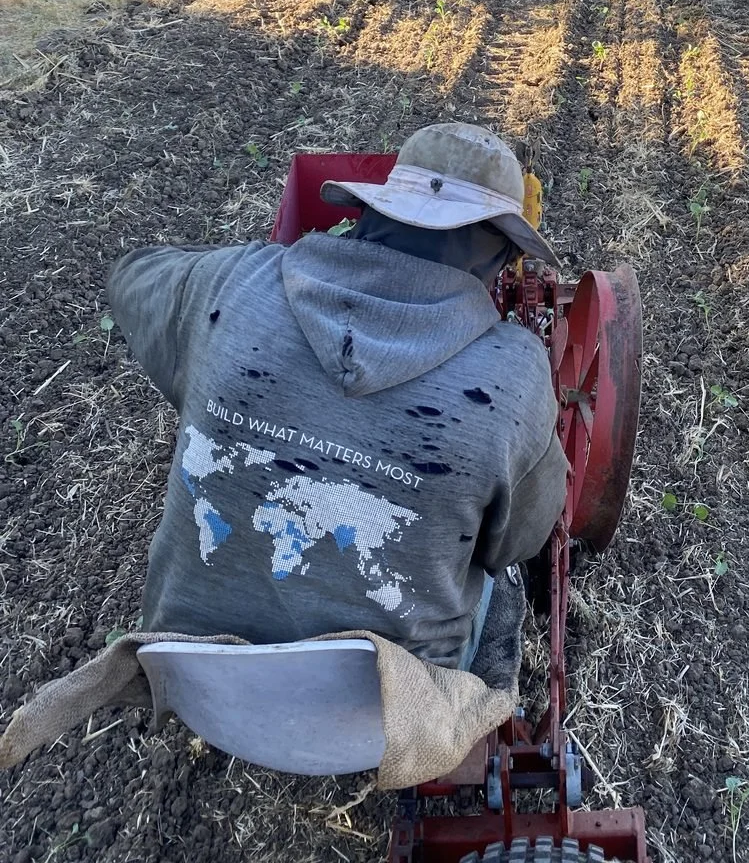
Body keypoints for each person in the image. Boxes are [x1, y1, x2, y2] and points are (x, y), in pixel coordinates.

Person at [108, 122, 567, 670]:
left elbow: (133, 275)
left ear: (370, 213)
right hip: (389, 703)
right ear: (498, 257)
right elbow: (518, 543)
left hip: (192, 666)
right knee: (502, 586)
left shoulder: (231, 283)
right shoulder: (513, 375)